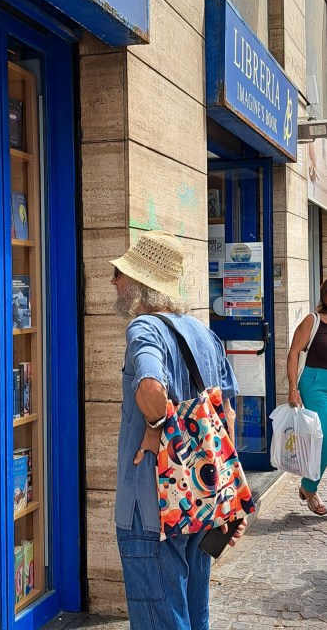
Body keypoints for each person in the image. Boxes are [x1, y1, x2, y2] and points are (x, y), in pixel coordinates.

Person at [111, 229, 242, 630]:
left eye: (119, 273)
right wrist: (227, 496)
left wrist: (155, 426)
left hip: (151, 507)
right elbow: (227, 415)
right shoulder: (204, 334)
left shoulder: (144, 328)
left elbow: (151, 387)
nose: (113, 281)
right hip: (201, 500)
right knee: (194, 615)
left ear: (140, 282)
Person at [287, 279, 327, 515]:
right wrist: (293, 388)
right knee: (324, 437)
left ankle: (308, 486)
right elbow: (293, 353)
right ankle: (309, 488)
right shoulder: (313, 321)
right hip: (314, 384)